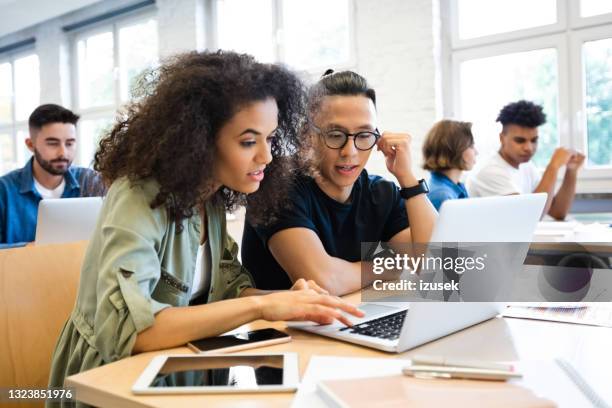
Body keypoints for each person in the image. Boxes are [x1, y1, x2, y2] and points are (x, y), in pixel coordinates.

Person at [47, 51, 363, 401]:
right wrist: (263, 307)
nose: (267, 156)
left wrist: (288, 300)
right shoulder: (138, 196)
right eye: (248, 141)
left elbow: (228, 292)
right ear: (198, 139)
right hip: (111, 381)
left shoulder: (210, 197)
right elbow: (131, 332)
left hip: (182, 370)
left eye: (270, 138)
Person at [241, 70, 437, 296]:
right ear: (307, 135)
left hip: (353, 318)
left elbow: (441, 268)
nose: (350, 152)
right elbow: (324, 281)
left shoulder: (382, 193)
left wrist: (408, 180)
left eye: (364, 135)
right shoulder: (277, 187)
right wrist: (388, 266)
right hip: (284, 329)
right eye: (335, 135)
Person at [0, 104, 105, 247]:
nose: (63, 153)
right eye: (53, 144)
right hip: (23, 269)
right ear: (31, 144)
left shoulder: (91, 182)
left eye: (69, 143)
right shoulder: (4, 190)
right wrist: (27, 248)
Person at [467, 100, 585, 220]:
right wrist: (553, 166)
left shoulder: (526, 166)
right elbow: (530, 217)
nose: (529, 148)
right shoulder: (490, 171)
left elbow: (557, 212)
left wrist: (571, 171)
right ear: (502, 138)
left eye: (534, 140)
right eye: (520, 140)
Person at [422, 119, 477, 211]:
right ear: (457, 149)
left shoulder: (453, 187)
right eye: (471, 146)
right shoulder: (442, 195)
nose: (476, 152)